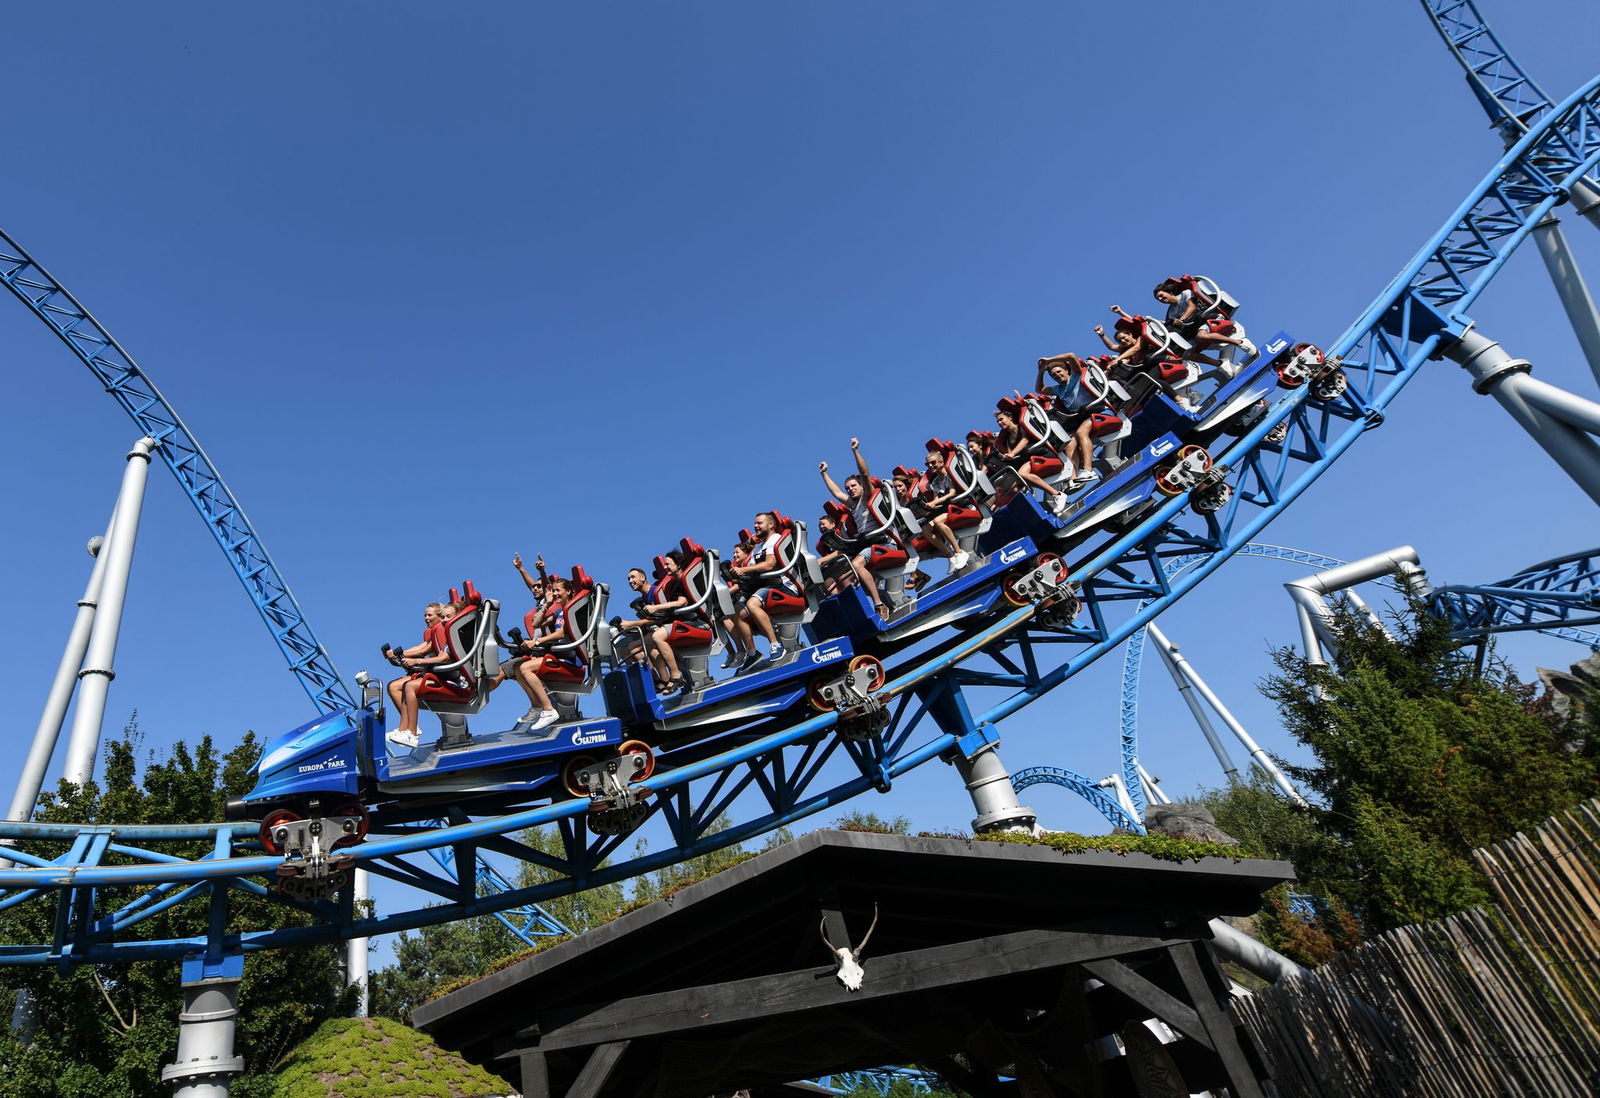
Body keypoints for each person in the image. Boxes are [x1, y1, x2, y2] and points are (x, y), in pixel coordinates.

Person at [820, 438, 894, 617]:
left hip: (883, 542)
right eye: (848, 488)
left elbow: (865, 473)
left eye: (853, 486)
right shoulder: (853, 505)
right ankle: (881, 602)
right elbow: (836, 492)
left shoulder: (868, 496)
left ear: (861, 486)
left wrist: (855, 451)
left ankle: (878, 605)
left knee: (857, 564)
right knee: (846, 576)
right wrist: (824, 474)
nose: (850, 489)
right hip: (867, 545)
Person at [385, 601, 458, 751]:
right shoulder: (436, 632)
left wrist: (414, 659)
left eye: (429, 615)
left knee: (408, 686)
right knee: (393, 687)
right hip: (437, 672)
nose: (426, 618)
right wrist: (400, 655)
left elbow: (426, 652)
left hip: (447, 676)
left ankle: (411, 732)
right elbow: (423, 647)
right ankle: (406, 728)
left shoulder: (444, 631)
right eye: (425, 615)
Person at [727, 511, 793, 666]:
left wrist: (743, 570)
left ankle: (775, 644)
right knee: (736, 611)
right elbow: (749, 567)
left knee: (752, 604)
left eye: (759, 523)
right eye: (755, 523)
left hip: (781, 584)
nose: (755, 526)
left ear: (771, 524)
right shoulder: (759, 547)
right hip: (765, 585)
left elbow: (769, 564)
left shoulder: (775, 539)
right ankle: (752, 653)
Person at [1033, 353, 1099, 489]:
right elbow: (1039, 389)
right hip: (1081, 418)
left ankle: (1088, 470)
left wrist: (1049, 360)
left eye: (1059, 372)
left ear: (1066, 371)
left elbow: (1071, 356)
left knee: (1081, 433)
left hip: (1096, 410)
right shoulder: (1058, 390)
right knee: (1069, 444)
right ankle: (1073, 479)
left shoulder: (1076, 376)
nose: (1057, 375)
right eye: (1054, 375)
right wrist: (1041, 372)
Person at [994, 406, 1071, 515]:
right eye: (998, 422)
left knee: (1022, 473)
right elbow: (1010, 455)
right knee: (1011, 483)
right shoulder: (1007, 440)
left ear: (1010, 417)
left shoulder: (1021, 427)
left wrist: (1012, 453)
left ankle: (1057, 495)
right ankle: (1032, 508)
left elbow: (1025, 440)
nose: (999, 423)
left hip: (1043, 455)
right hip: (1030, 461)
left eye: (1001, 419)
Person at [815, 512, 858, 595]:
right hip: (839, 565)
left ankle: (854, 597)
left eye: (823, 524)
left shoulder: (836, 534)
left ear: (832, 525)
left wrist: (821, 560)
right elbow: (829, 556)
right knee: (827, 583)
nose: (821, 527)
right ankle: (840, 600)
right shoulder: (825, 541)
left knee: (843, 578)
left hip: (850, 559)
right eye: (819, 526)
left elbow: (841, 550)